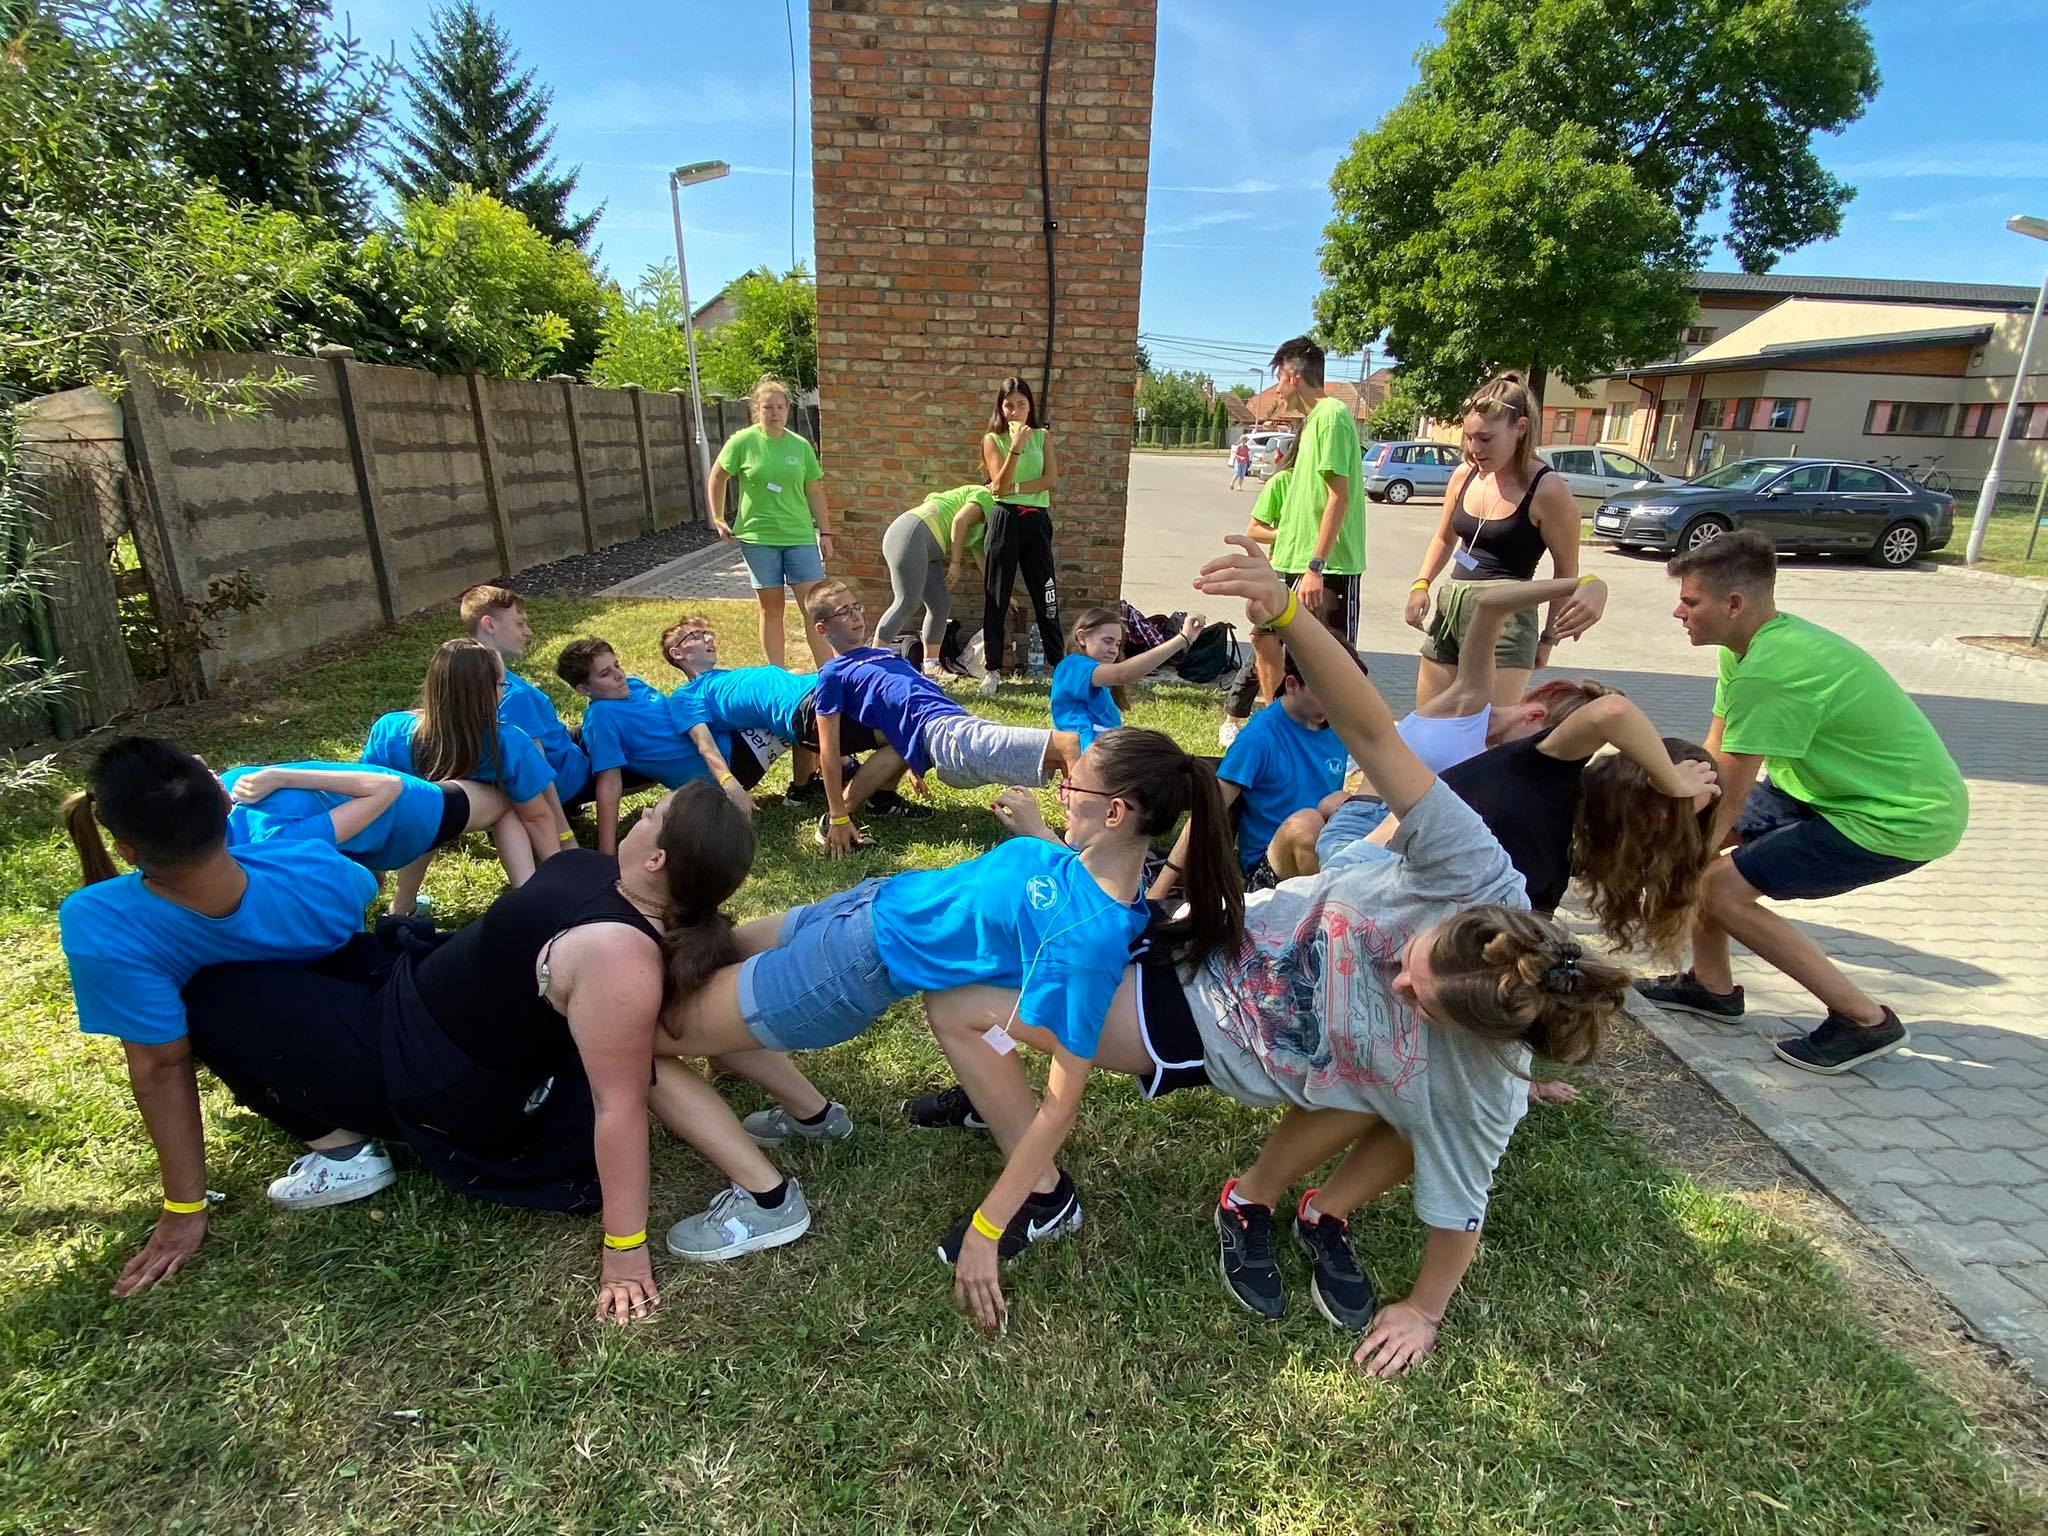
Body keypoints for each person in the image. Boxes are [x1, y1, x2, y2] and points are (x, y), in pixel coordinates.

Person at [923, 537, 1629, 1373]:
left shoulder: (1482, 1084)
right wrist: (1291, 614)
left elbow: (1461, 1212)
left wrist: (1424, 1310)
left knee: (958, 1003)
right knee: (998, 946)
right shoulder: (1478, 871)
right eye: (1416, 958)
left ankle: (1058, 1194)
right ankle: (994, 1096)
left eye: (1420, 1000)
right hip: (1201, 932)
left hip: (1203, 1025)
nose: (1398, 979)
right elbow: (1373, 732)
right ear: (1472, 922)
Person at [657, 726, 1243, 1332]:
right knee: (703, 956)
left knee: (649, 1031)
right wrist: (1037, 833)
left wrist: (989, 1226)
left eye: (1071, 787)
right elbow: (1067, 889)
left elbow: (1061, 1105)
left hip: (845, 968)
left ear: (1115, 812)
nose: (1061, 793)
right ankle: (810, 1115)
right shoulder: (1092, 866)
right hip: (860, 906)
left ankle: (771, 1203)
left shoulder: (1084, 941)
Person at [172, 780, 822, 1323]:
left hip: (416, 1064)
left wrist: (624, 1249)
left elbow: (620, 1104)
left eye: (653, 814)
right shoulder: (610, 878)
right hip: (403, 983)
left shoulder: (617, 957)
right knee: (266, 957)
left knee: (211, 997)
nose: (642, 811)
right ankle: (814, 1119)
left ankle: (342, 1155)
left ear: (658, 860)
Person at [55, 737, 386, 1298]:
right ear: (226, 804)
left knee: (202, 997)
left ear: (126, 849)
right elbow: (361, 897)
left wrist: (184, 1206)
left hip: (315, 1065)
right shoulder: (313, 861)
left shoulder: (102, 918)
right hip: (373, 1029)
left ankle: (341, 1148)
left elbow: (161, 1063)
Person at [1638, 530, 1969, 1075]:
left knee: (1716, 886)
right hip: (1824, 792)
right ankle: (1711, 988)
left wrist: (1685, 860)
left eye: (1690, 601)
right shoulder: (1748, 647)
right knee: (1698, 854)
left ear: (1734, 603)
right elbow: (1715, 757)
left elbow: (1730, 798)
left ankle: (1865, 1021)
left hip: (1897, 817)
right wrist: (1683, 828)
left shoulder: (1773, 670)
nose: (1679, 613)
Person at [1266, 573, 1612, 877]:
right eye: (1540, 745)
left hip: (1411, 845)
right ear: (1534, 716)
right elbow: (1490, 604)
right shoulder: (1468, 704)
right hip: (1366, 829)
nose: (1534, 754)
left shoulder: (1502, 759)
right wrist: (1586, 583)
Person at [802, 580, 1082, 857]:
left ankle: (1078, 834)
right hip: (945, 734)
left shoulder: (884, 655)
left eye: (856, 607)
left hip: (954, 725)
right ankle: (1082, 842)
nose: (856, 616)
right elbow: (829, 749)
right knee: (1067, 745)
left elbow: (897, 709)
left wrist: (911, 761)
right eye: (843, 612)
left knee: (1062, 752)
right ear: (822, 628)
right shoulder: (834, 672)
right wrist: (838, 815)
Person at [1406, 373, 1598, 711]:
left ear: (1520, 428)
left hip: (1508, 620)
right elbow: (1443, 538)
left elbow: (1566, 570)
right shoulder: (1464, 475)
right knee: (1427, 722)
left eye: (1486, 438)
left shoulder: (1547, 489)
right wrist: (1421, 584)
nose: (1474, 449)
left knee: (1487, 730)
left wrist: (1549, 638)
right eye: (1469, 438)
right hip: (1451, 609)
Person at [1218, 338, 1364, 744]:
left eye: (1279, 379)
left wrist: (1316, 566)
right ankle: (1284, 733)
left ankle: (1342, 742)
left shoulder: (1332, 416)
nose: (1278, 390)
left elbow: (1338, 496)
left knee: (1333, 662)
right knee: (1277, 646)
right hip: (1293, 563)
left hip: (1326, 568)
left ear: (1293, 376)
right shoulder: (1313, 422)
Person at [360, 639, 562, 912]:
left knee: (425, 801)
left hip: (395, 831)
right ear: (485, 692)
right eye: (502, 684)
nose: (504, 691)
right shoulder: (507, 742)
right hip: (440, 818)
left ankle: (401, 907)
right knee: (508, 803)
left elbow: (368, 785)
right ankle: (532, 898)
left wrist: (369, 861)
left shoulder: (390, 729)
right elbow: (537, 816)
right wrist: (560, 871)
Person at [659, 615, 924, 819]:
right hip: (807, 711)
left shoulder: (722, 678)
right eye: (697, 636)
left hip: (822, 690)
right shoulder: (686, 696)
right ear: (677, 653)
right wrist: (731, 785)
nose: (709, 639)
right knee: (910, 733)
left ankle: (806, 786)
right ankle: (862, 805)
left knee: (905, 713)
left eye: (708, 633)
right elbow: (705, 745)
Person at [1157, 647, 1351, 892]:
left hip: (1328, 849)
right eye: (1325, 691)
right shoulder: (1258, 738)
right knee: (1306, 823)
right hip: (1268, 868)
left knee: (1344, 803)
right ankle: (1328, 906)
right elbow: (1208, 812)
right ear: (1292, 685)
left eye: (1343, 689)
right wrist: (1160, 888)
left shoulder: (1342, 725)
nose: (1336, 699)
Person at [219, 759, 518, 917]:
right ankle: (530, 902)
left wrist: (282, 777)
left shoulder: (250, 836)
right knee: (507, 801)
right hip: (406, 815)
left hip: (395, 808)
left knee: (506, 798)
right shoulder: (240, 797)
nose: (210, 772)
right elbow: (388, 788)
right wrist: (280, 776)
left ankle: (527, 898)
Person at [555, 637, 754, 854]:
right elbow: (609, 783)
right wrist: (607, 851)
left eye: (617, 665)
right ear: (584, 690)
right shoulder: (601, 717)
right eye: (605, 674)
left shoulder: (634, 685)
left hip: (719, 733)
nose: (619, 675)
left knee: (771, 682)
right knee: (778, 690)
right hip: (727, 761)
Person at [706, 375, 836, 670]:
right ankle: (776, 674)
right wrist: (717, 517)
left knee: (814, 607)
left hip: (799, 536)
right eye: (767, 407)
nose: (774, 413)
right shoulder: (742, 442)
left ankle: (827, 673)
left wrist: (825, 532)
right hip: (758, 537)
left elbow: (815, 491)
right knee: (771, 608)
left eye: (780, 407)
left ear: (788, 410)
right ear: (757, 410)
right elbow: (718, 476)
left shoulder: (800, 446)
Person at [460, 583, 590, 840]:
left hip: (557, 750)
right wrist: (564, 835)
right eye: (520, 623)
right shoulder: (511, 692)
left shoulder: (463, 672)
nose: (528, 631)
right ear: (489, 625)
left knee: (588, 730)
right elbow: (537, 769)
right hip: (568, 776)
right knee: (637, 745)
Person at [977, 375, 1060, 696]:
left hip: (1036, 520)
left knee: (1046, 594)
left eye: (1021, 404)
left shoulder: (1042, 436)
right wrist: (1015, 449)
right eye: (1008, 405)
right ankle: (992, 669)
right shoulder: (992, 440)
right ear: (1000, 407)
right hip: (1005, 520)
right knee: (997, 596)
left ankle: (1059, 667)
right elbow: (997, 485)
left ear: (1030, 406)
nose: (1015, 411)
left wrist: (1014, 488)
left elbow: (1049, 480)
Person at [1219, 440, 1297, 744]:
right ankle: (1233, 717)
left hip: (1319, 572)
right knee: (1264, 646)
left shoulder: (1330, 486)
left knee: (1303, 651)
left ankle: (1295, 722)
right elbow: (1255, 529)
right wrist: (1289, 534)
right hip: (1283, 570)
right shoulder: (1283, 482)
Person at [875, 484, 996, 674]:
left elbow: (984, 564)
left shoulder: (983, 525)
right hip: (909, 534)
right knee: (907, 601)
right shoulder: (985, 494)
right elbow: (959, 521)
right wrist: (955, 563)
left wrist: (1003, 595)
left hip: (928, 550)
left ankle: (931, 666)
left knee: (940, 605)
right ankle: (872, 662)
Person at [1050, 606, 1205, 751]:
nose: (1113, 650)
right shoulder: (1073, 665)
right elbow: (1123, 674)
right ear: (1082, 637)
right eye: (1107, 641)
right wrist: (1182, 639)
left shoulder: (1097, 678)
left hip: (1103, 751)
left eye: (1117, 644)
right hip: (1090, 755)